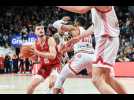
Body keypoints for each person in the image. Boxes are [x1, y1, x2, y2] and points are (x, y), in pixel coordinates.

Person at [57, 6, 127, 94]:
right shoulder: (97, 11)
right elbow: (94, 26)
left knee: (96, 79)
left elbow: (81, 10)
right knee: (108, 78)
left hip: (105, 39)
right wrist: (78, 37)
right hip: (108, 39)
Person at [52, 16, 94, 94]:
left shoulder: (74, 28)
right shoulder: (88, 33)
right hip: (92, 56)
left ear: (76, 23)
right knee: (97, 81)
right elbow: (75, 46)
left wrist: (62, 21)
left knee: (61, 76)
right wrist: (65, 49)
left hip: (82, 56)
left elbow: (55, 24)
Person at [26, 23, 63, 94]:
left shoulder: (50, 39)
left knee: (52, 83)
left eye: (42, 28)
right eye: (38, 29)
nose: (41, 30)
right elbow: (36, 59)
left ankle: (59, 88)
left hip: (55, 66)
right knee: (30, 87)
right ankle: (59, 88)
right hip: (44, 67)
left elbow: (53, 56)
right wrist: (28, 56)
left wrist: (38, 53)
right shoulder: (35, 44)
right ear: (35, 32)